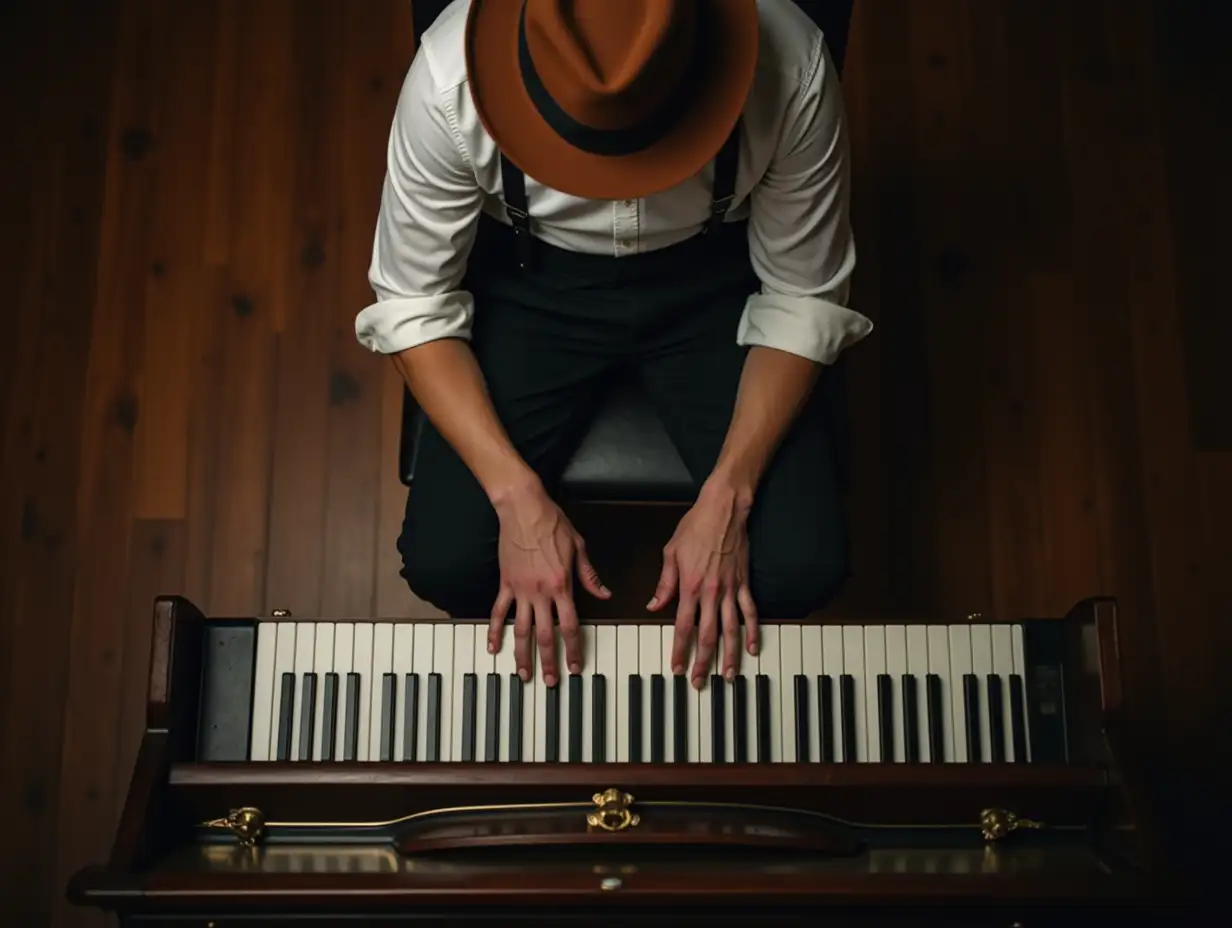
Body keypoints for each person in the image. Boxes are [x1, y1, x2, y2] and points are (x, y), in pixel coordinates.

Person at [355, 0, 872, 692]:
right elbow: (413, 304)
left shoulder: (791, 62)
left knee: (802, 567)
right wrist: (516, 501)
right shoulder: (448, 78)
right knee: (448, 564)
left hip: (712, 276)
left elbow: (803, 297)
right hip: (531, 279)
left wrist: (730, 498)